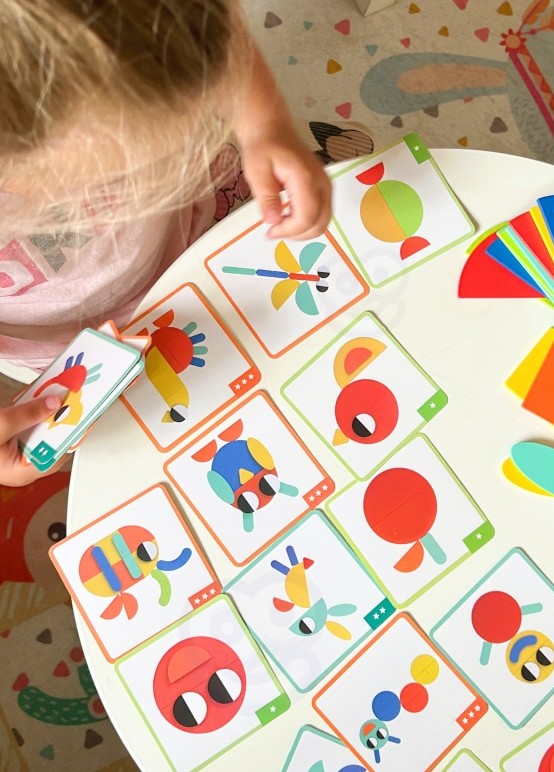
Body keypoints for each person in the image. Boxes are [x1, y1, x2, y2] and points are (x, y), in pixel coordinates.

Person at [0, 0, 331, 487]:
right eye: (119, 174)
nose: (150, 176)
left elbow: (217, 35)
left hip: (196, 235)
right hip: (67, 346)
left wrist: (264, 126)